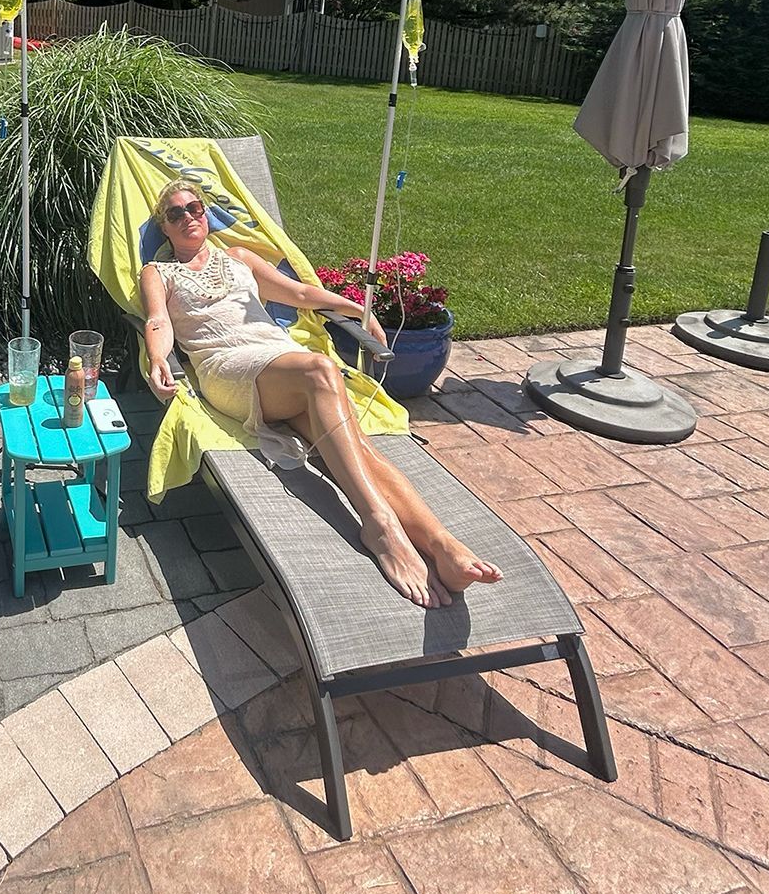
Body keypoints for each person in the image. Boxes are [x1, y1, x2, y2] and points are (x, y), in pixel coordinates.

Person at [139, 179, 499, 610]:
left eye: (194, 208)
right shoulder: (158, 273)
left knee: (360, 451)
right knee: (321, 367)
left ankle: (441, 543)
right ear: (164, 226)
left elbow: (300, 294)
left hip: (282, 363)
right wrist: (159, 358)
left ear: (206, 214)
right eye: (174, 213)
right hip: (228, 369)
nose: (187, 218)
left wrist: (358, 310)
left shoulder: (239, 258)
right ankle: (378, 525)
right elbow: (158, 320)